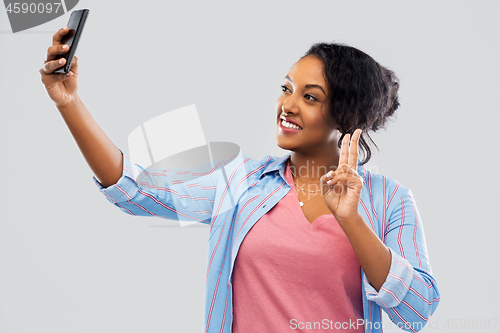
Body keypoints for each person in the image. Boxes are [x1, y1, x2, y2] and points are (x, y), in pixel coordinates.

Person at [40, 27, 440, 333]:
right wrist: (69, 102)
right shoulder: (241, 182)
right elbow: (135, 190)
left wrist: (351, 220)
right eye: (287, 89)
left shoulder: (390, 200)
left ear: (347, 117)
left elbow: (417, 311)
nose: (287, 105)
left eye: (310, 97)